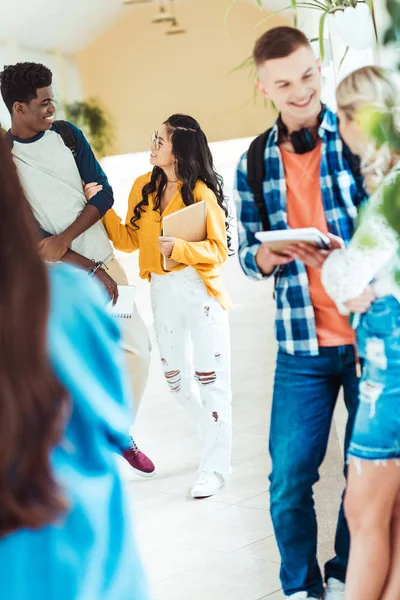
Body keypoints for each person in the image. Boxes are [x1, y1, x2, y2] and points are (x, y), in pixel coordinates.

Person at [234, 26, 367, 600]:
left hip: (370, 339)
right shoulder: (253, 163)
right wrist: (264, 253)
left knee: (362, 477)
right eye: (284, 83)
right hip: (301, 347)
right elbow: (243, 253)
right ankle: (299, 588)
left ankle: (342, 575)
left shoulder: (357, 137)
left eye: (308, 76)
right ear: (265, 87)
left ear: (319, 70)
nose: (301, 91)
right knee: (288, 480)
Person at [0, 132, 149, 600]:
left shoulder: (68, 137)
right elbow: (103, 406)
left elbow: (101, 191)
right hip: (74, 547)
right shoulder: (62, 301)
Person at [0, 61, 154, 476]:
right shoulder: (4, 157)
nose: (53, 107)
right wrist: (81, 264)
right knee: (65, 367)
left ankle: (118, 431)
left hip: (101, 259)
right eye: (44, 102)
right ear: (19, 107)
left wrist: (66, 240)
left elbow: (104, 195)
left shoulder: (68, 135)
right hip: (53, 281)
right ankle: (78, 452)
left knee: (137, 349)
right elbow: (28, 233)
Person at [101, 114, 232, 499]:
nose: (153, 144)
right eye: (154, 137)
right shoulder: (143, 186)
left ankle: (215, 465)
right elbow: (127, 240)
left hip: (199, 293)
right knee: (176, 381)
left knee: (211, 382)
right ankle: (213, 434)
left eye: (160, 140)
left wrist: (182, 249)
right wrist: (99, 205)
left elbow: (219, 250)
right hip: (161, 292)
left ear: (179, 151)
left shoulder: (203, 193)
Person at [321, 65, 400, 600]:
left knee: (364, 509)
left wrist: (336, 269)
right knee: (390, 523)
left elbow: (346, 274)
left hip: (392, 372)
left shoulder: (392, 191)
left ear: (355, 119)